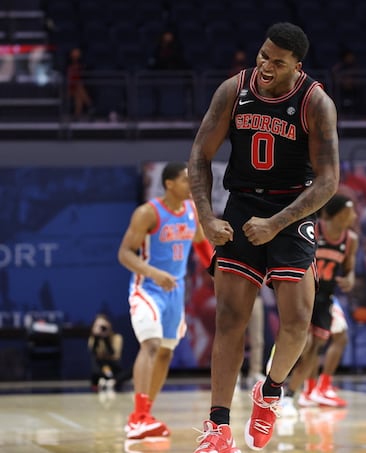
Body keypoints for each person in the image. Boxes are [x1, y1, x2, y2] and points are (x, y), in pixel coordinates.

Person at [188, 22, 339, 453]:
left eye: (277, 61)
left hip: (294, 209)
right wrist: (206, 217)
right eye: (262, 55)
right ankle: (218, 428)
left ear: (296, 65)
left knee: (297, 321)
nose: (265, 65)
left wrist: (277, 223)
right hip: (242, 205)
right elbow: (199, 155)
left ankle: (270, 391)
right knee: (230, 321)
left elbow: (328, 182)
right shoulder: (233, 90)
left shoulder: (316, 103)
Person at [118, 162, 213, 440]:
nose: (191, 185)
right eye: (186, 180)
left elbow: (200, 244)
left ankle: (145, 413)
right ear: (169, 184)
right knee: (150, 345)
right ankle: (136, 418)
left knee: (166, 352)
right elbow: (125, 254)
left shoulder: (191, 211)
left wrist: (217, 272)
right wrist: (154, 273)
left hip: (175, 291)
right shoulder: (148, 212)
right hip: (147, 289)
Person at [281, 194, 358, 412]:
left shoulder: (350, 239)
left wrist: (349, 278)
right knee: (302, 342)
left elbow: (349, 268)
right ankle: (282, 385)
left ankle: (293, 394)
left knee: (317, 345)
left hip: (326, 296)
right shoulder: (315, 230)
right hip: (304, 292)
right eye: (350, 211)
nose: (354, 216)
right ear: (341, 213)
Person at [88, 313, 131, 392]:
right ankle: (109, 380)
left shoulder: (117, 338)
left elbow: (115, 356)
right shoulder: (92, 339)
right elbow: (94, 354)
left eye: (103, 327)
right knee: (98, 363)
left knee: (130, 371)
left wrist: (106, 338)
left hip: (114, 367)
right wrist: (97, 338)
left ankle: (111, 381)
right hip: (100, 369)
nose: (101, 329)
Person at [66, 47, 93, 120]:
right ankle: (89, 105)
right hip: (69, 87)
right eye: (74, 53)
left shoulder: (81, 64)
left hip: (77, 87)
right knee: (79, 89)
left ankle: (77, 115)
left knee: (78, 94)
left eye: (77, 53)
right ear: (71, 55)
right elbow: (69, 78)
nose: (76, 55)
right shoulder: (68, 65)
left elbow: (83, 76)